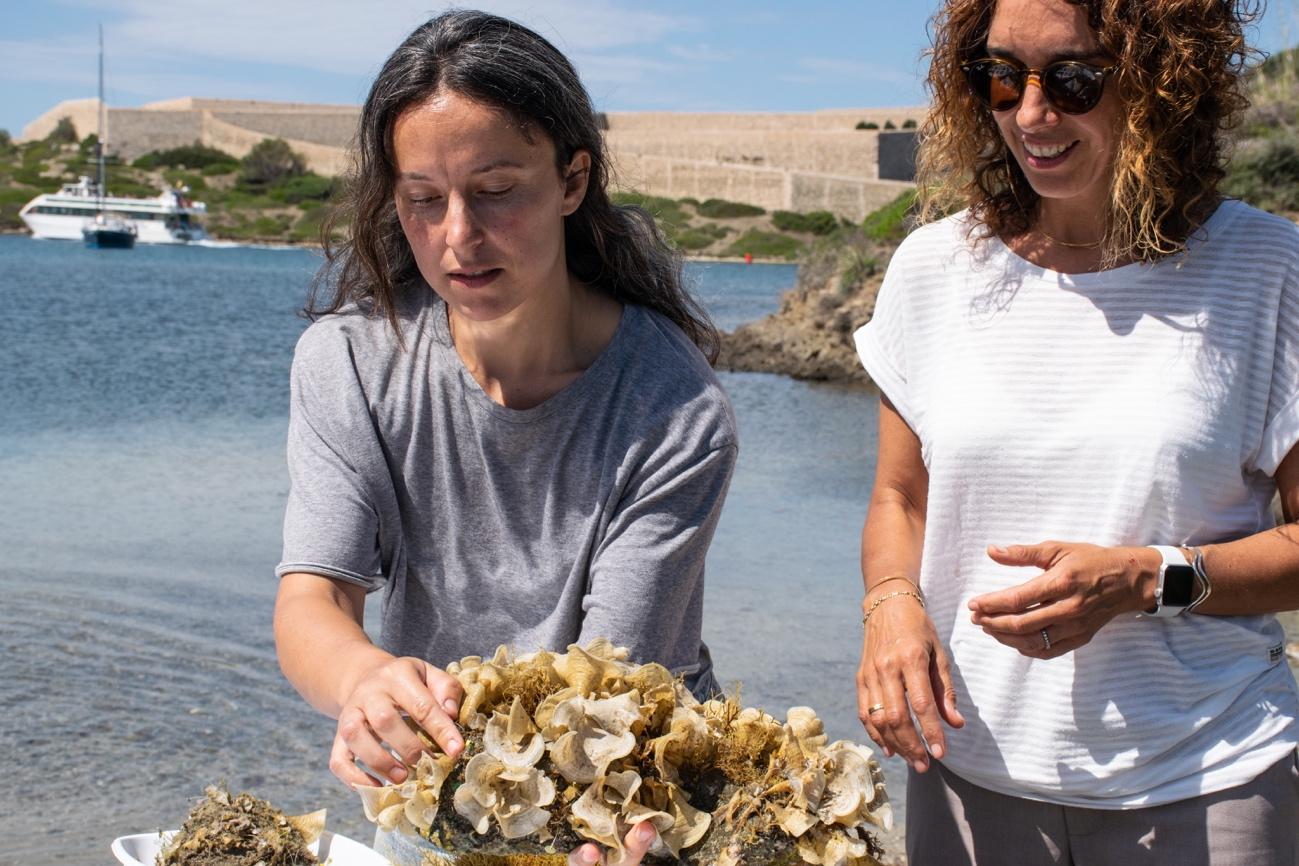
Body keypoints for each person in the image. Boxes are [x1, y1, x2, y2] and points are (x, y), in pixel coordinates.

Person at [271, 11, 738, 865]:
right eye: (422, 199)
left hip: (629, 796)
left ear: (571, 179)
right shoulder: (350, 362)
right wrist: (361, 683)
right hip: (434, 783)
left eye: (494, 191)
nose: (457, 236)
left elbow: (612, 692)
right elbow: (313, 602)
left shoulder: (676, 409)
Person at [852, 0, 1299, 862]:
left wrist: (1148, 579)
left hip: (1207, 780)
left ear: (1165, 83)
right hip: (963, 779)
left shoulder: (1269, 269)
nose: (1030, 113)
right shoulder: (931, 269)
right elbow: (897, 497)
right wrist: (889, 609)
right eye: (999, 76)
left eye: (1074, 80)